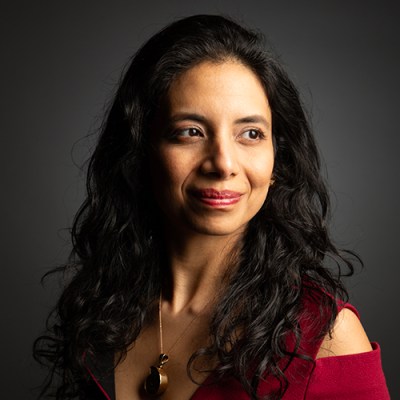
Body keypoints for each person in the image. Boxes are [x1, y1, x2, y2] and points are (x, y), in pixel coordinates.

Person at [34, 14, 390, 400]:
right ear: (140, 152)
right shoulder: (103, 308)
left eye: (250, 134)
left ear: (277, 163)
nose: (223, 163)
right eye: (191, 132)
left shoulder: (327, 338)